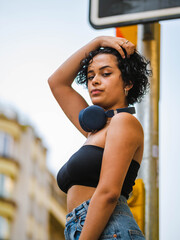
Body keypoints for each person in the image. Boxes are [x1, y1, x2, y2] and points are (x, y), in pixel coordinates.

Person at [48, 36, 151, 240]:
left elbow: (108, 193)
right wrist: (97, 41)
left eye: (105, 73)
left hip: (110, 230)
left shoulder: (123, 122)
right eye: (90, 75)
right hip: (86, 228)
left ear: (128, 83)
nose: (94, 80)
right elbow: (57, 82)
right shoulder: (96, 130)